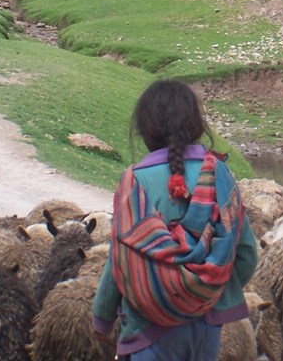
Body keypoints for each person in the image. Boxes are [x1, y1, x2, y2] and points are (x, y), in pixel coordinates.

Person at [92, 79, 258, 359]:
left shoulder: (135, 182)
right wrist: (206, 293)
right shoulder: (220, 174)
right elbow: (246, 254)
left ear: (145, 130)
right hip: (205, 329)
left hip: (147, 328)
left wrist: (102, 316)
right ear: (195, 124)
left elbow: (120, 261)